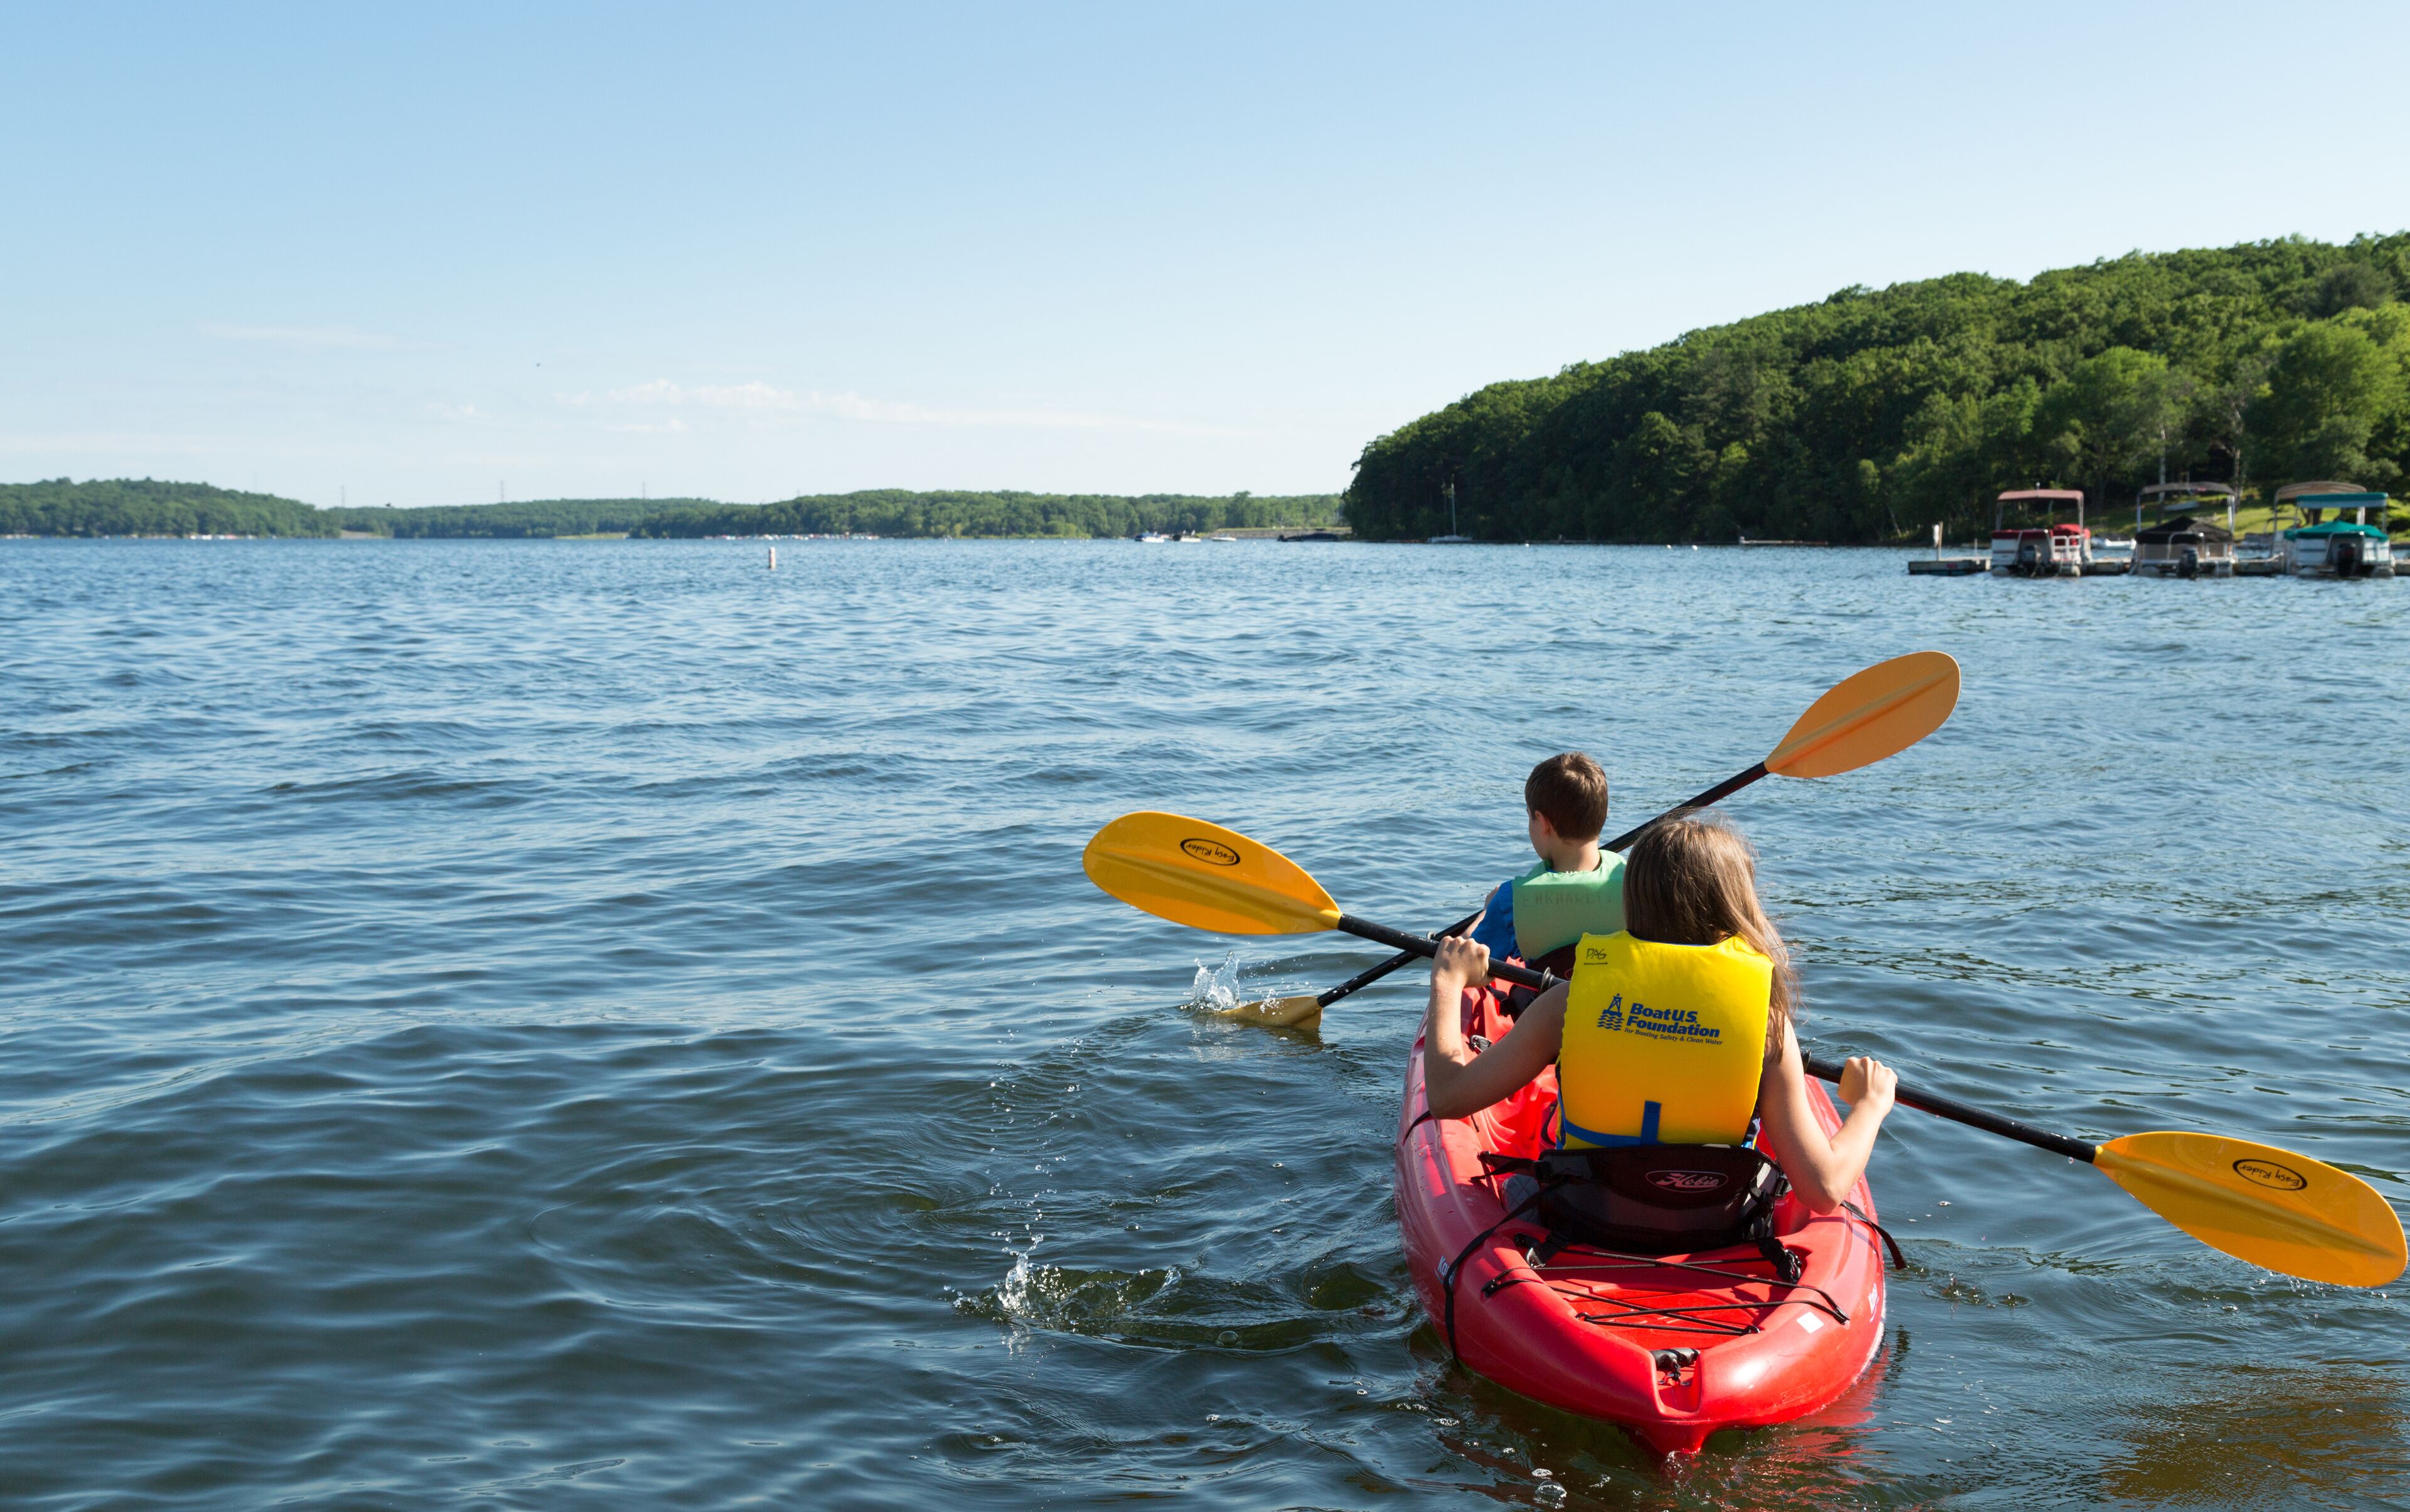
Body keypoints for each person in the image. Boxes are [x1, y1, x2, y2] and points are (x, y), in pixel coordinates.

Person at [1423, 813, 1896, 1215]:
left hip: (1588, 1214)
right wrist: (1870, 1105)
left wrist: (1448, 983)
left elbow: (1447, 1097)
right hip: (1711, 1225)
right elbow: (1826, 1188)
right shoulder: (1766, 1023)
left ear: (1632, 895)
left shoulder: (1571, 1001)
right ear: (1736, 906)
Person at [1465, 753, 1624, 970]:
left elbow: (1466, 961)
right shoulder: (1637, 884)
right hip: (1621, 1002)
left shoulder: (1510, 900)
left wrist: (1487, 911)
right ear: (1604, 812)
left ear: (1542, 823)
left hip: (1548, 1003)